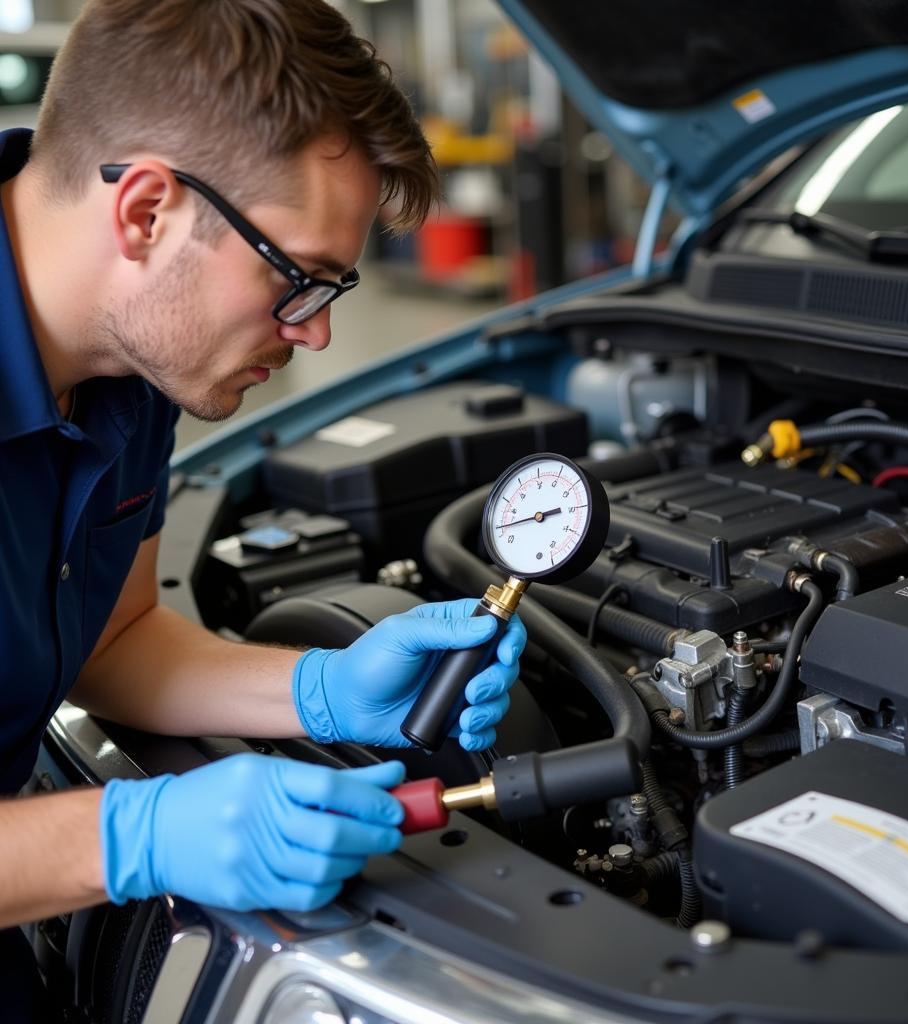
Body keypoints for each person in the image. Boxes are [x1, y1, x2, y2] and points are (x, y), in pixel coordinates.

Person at [0, 1, 525, 1017]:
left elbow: (113, 637)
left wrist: (323, 689)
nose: (317, 334)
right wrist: (130, 837)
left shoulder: (131, 364)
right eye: (299, 280)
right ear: (146, 210)